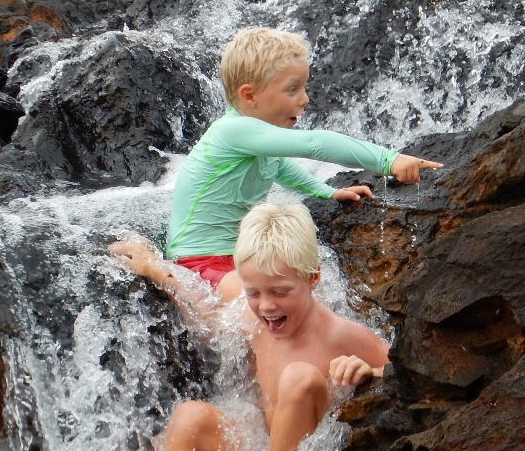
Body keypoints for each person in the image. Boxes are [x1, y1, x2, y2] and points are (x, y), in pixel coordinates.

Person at [109, 203, 390, 451]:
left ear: (313, 278)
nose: (267, 306)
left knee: (300, 377)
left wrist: (369, 370)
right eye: (254, 292)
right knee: (190, 416)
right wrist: (157, 269)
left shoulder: (340, 335)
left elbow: (403, 367)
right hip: (259, 448)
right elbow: (209, 312)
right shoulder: (250, 310)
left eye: (280, 292)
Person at [163, 26, 443, 302]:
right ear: (249, 96)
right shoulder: (232, 131)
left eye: (303, 87)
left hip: (238, 259)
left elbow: (281, 167)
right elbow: (316, 144)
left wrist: (327, 192)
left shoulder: (257, 141)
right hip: (196, 262)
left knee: (291, 300)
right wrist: (388, 160)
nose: (305, 98)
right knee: (256, 306)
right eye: (292, 89)